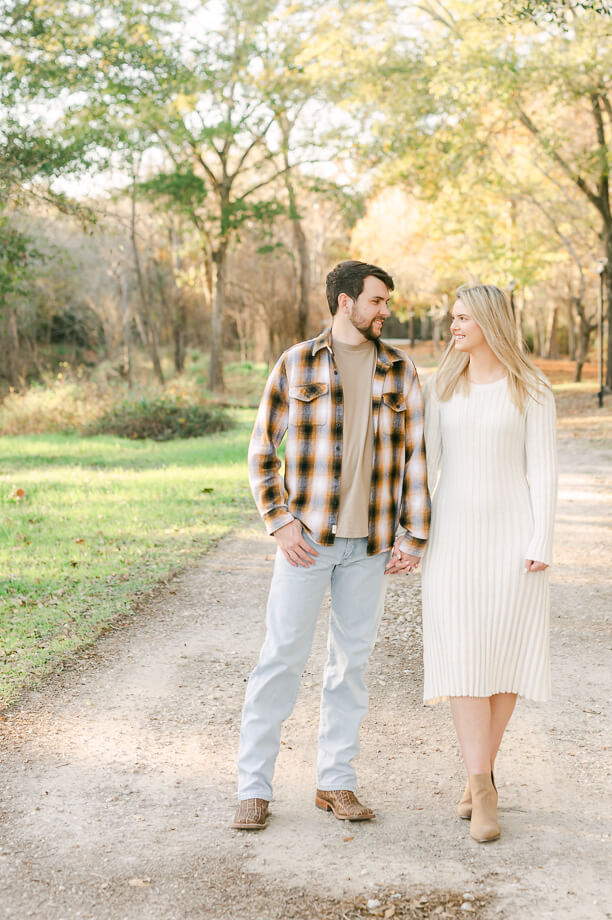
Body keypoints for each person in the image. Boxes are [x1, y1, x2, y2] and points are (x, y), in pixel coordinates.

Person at [231, 260, 430, 831]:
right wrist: (280, 522)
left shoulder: (401, 370)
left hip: (369, 546)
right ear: (345, 302)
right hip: (307, 544)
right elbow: (261, 450)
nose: (385, 310)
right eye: (376, 301)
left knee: (351, 667)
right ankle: (254, 789)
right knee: (280, 661)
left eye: (386, 301)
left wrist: (412, 535)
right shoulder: (296, 363)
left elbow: (418, 458)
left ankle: (335, 783)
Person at [421, 283, 557, 843]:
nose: (453, 327)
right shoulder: (441, 386)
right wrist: (414, 535)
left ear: (490, 322)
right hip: (451, 540)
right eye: (452, 318)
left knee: (504, 661)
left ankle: (481, 774)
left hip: (512, 538)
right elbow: (422, 469)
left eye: (461, 318)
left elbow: (544, 470)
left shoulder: (531, 387)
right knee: (463, 662)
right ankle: (482, 788)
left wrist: (541, 540)